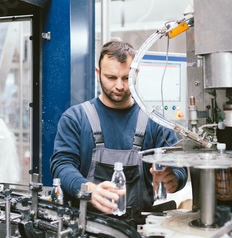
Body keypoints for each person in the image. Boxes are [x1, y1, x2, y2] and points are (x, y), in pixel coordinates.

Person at [50, 40, 188, 219]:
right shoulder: (76, 118)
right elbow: (62, 166)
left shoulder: (155, 121)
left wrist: (173, 179)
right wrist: (89, 189)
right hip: (86, 226)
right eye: (111, 78)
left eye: (126, 78)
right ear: (98, 74)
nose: (120, 86)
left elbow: (180, 167)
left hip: (141, 227)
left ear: (136, 74)